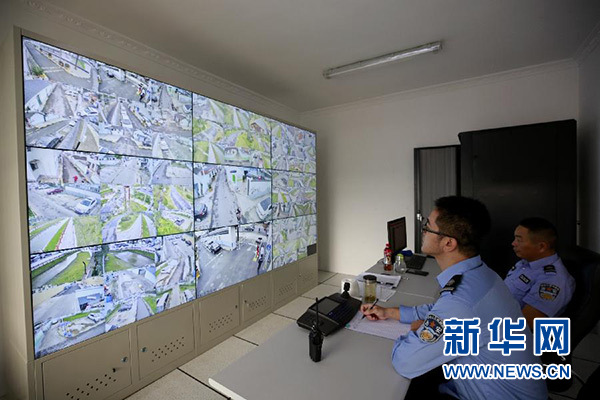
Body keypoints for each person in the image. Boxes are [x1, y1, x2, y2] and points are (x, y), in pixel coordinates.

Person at [361, 196, 547, 399]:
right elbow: (441, 309)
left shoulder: (462, 300)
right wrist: (391, 313)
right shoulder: (481, 274)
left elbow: (405, 362)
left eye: (428, 227)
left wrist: (417, 331)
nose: (423, 231)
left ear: (448, 243)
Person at [505, 217, 575, 329]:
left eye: (519, 240)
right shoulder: (525, 263)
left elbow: (525, 324)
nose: (513, 243)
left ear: (542, 246)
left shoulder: (553, 280)